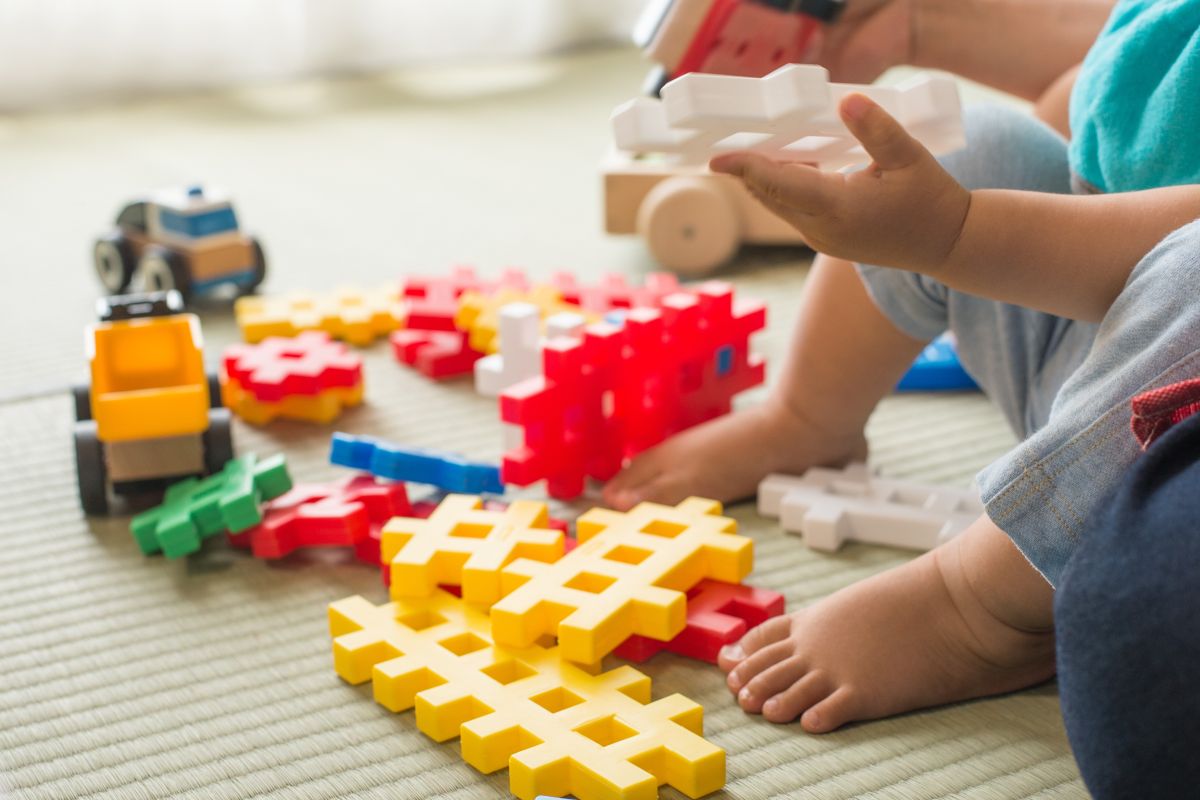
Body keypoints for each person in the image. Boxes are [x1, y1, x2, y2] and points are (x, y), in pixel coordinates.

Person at [600, 0, 1200, 759]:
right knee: (977, 145)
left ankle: (978, 606)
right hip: (1101, 379)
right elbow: (1103, 110)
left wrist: (956, 231)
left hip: (1166, 422)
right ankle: (807, 417)